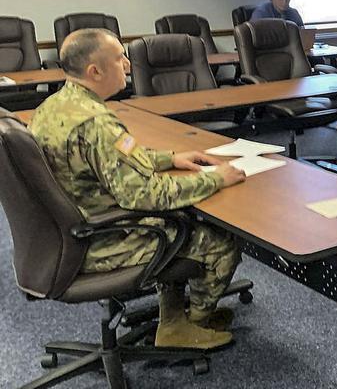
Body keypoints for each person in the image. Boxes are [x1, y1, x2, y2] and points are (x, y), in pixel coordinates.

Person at [29, 28, 247, 350]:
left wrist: (169, 158)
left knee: (182, 220)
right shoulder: (97, 123)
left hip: (67, 230)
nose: (129, 65)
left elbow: (111, 159)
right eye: (120, 58)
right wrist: (216, 178)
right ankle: (192, 325)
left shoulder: (55, 106)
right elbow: (145, 195)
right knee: (221, 240)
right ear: (95, 71)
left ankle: (176, 319)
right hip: (101, 239)